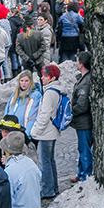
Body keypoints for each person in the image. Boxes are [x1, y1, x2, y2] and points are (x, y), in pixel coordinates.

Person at [31, 64, 64, 199]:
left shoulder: (50, 93)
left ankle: (47, 190)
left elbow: (44, 115)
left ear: (52, 78)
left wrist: (35, 131)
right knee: (50, 161)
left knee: (45, 162)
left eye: (45, 76)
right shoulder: (55, 90)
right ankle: (53, 187)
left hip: (46, 132)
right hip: (51, 131)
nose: (42, 78)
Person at [71, 51, 92, 183]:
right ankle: (81, 173)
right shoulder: (83, 78)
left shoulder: (85, 82)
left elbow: (82, 105)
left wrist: (70, 112)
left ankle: (85, 176)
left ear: (82, 64)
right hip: (82, 121)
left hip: (84, 121)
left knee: (85, 150)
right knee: (82, 148)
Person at [4, 70, 41, 139]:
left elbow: (33, 117)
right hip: (11, 133)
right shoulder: (14, 95)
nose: (24, 83)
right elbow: (7, 112)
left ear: (31, 82)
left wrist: (26, 135)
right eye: (22, 81)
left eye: (26, 81)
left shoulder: (35, 96)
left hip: (24, 134)